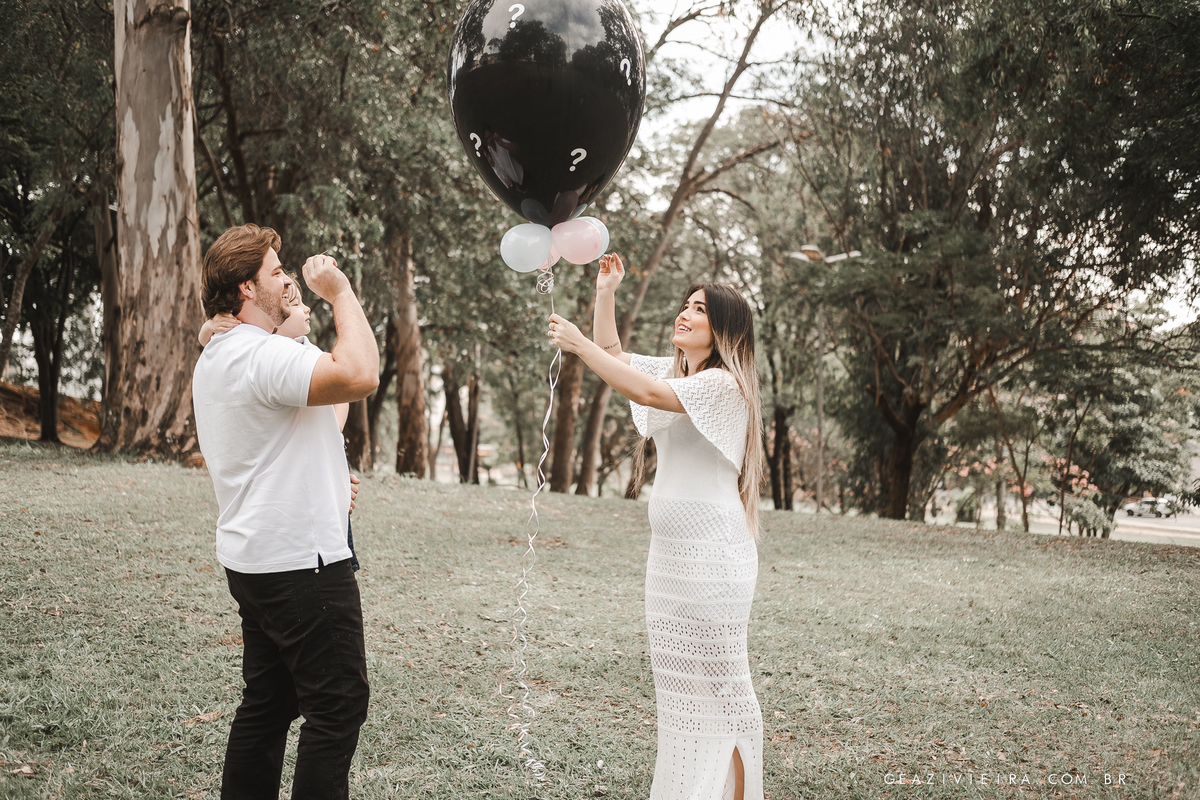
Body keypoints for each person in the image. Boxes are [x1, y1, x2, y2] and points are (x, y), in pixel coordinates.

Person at [547, 253, 765, 800]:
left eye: (700, 309)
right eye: (685, 305)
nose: (685, 314)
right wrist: (606, 294)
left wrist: (579, 345)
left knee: (724, 687)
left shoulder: (723, 385)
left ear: (724, 330)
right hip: (668, 559)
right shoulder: (678, 375)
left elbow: (640, 391)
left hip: (714, 557)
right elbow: (621, 362)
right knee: (680, 690)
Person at [192, 224, 379, 800]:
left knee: (270, 704)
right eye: (276, 271)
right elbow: (361, 376)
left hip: (258, 560)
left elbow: (330, 411)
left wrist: (325, 484)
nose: (288, 278)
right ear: (247, 288)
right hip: (303, 566)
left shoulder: (226, 354)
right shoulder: (258, 355)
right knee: (337, 707)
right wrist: (341, 293)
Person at [199, 279, 362, 572]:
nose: (305, 309)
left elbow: (343, 395)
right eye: (294, 304)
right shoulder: (269, 354)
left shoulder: (304, 352)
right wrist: (209, 327)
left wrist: (332, 463)